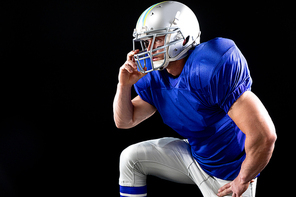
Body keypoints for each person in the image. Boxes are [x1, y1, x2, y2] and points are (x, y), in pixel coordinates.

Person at [113, 1, 277, 197]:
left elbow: (265, 136)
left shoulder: (209, 67)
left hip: (229, 174)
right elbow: (124, 121)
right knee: (130, 158)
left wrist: (243, 178)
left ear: (182, 38)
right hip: (195, 156)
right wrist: (124, 85)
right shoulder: (154, 77)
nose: (148, 48)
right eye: (147, 41)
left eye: (157, 39)